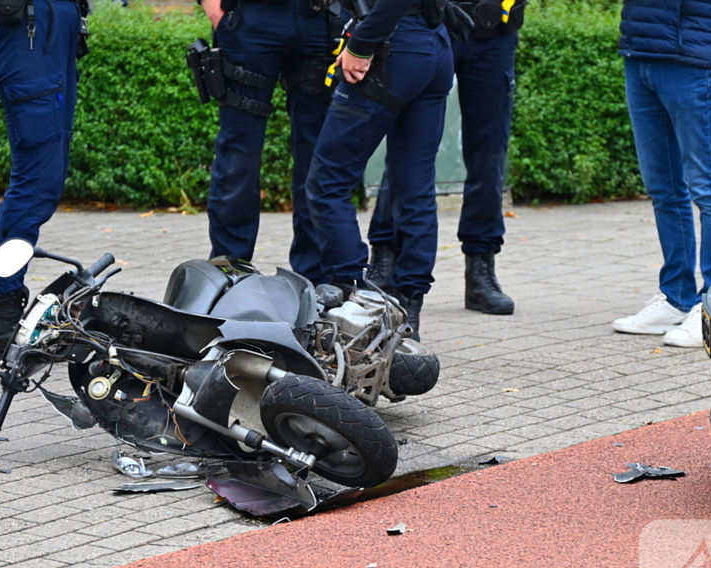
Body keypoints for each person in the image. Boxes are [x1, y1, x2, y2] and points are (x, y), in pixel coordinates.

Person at [305, 0, 458, 341]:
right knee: (414, 186)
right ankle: (408, 312)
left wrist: (360, 43)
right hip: (432, 43)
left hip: (392, 44)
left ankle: (354, 301)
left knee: (327, 182)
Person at [366, 0, 524, 317]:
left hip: (495, 29)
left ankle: (480, 268)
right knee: (408, 148)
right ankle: (384, 257)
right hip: (433, 21)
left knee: (489, 155)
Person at [0, 0, 88, 361]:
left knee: (35, 182)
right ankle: (3, 314)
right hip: (29, 29)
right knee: (36, 185)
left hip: (48, 26)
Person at [611, 0, 711, 348]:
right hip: (640, 50)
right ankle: (676, 298)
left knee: (709, 189)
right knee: (663, 188)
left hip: (694, 54)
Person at [194, 0, 345, 285]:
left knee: (318, 155)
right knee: (239, 152)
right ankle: (230, 271)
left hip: (322, 18)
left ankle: (316, 279)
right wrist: (214, 8)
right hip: (250, 18)